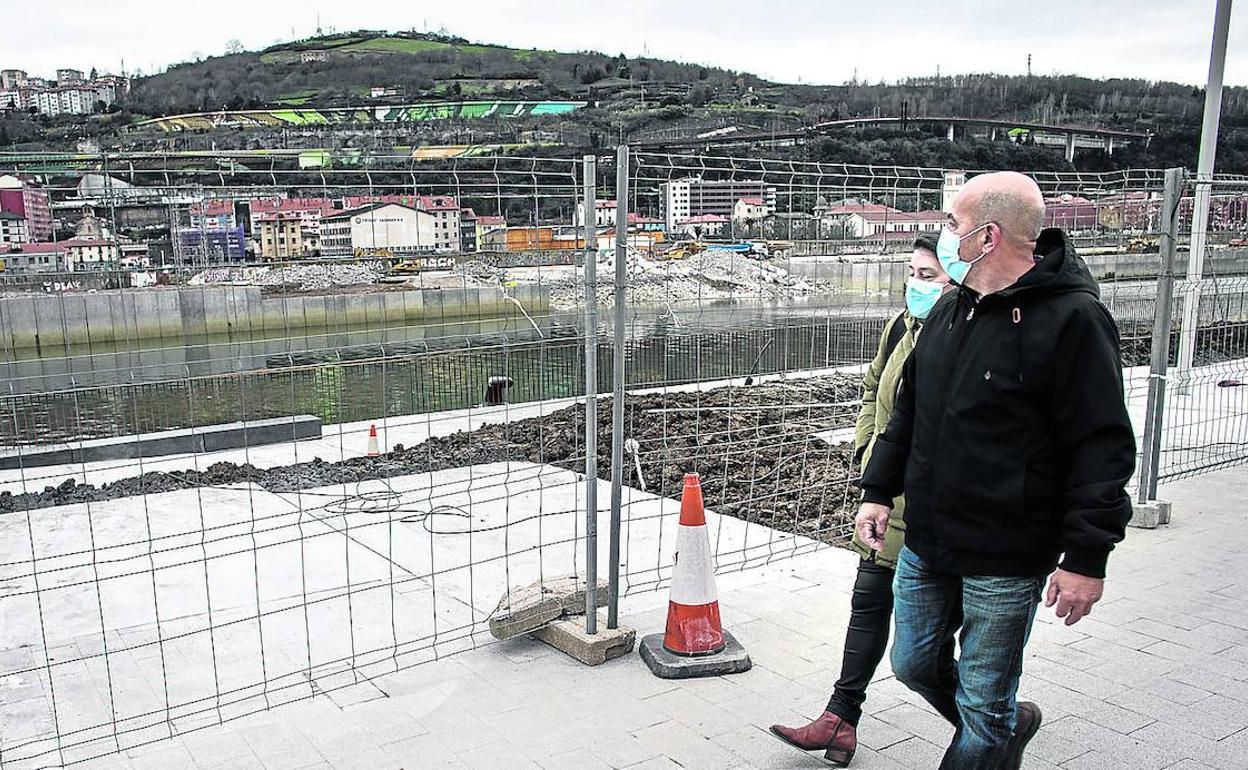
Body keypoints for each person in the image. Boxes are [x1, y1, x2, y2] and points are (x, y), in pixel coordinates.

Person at [856, 171, 1136, 770]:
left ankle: (991, 731)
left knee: (982, 710)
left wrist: (1087, 558)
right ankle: (1007, 725)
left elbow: (1102, 446)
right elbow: (909, 408)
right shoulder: (953, 308)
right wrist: (878, 491)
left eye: (952, 224)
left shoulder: (1074, 320)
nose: (943, 235)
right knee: (911, 662)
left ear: (987, 235)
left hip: (1008, 553)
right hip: (928, 540)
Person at [769, 234, 954, 767]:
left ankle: (991, 722)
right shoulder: (902, 327)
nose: (915, 285)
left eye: (929, 276)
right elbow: (875, 388)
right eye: (913, 273)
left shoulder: (961, 338)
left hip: (933, 503)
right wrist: (867, 451)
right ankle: (840, 718)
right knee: (868, 602)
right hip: (886, 497)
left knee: (927, 643)